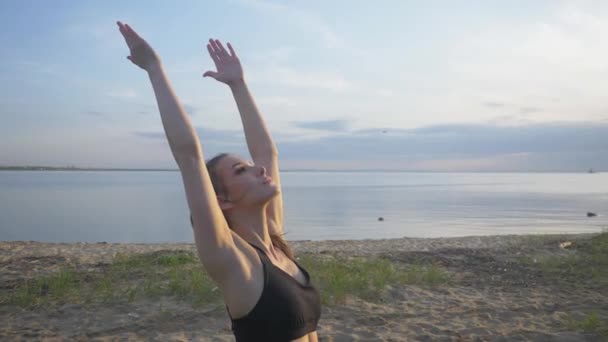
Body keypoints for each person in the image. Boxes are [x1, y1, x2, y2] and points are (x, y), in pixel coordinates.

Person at [117, 21, 321, 342]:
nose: (259, 170)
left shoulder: (274, 239)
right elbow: (189, 156)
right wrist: (154, 69)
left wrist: (238, 85)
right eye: (242, 170)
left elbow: (267, 152)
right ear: (222, 201)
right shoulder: (232, 260)